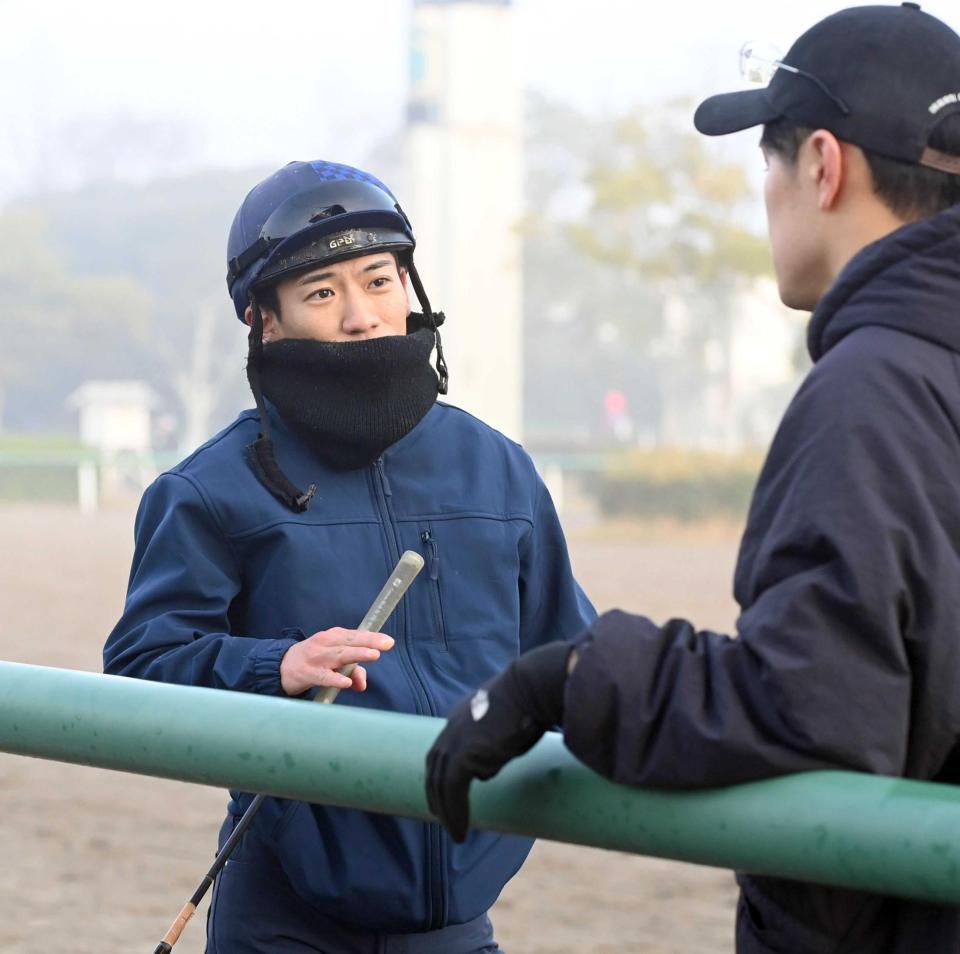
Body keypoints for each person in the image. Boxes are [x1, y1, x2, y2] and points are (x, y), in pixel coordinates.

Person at [425, 5, 960, 952]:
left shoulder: (875, 387)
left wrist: (569, 680)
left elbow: (815, 714)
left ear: (825, 167)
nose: (768, 193)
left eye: (770, 160)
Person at [104, 159, 595, 954]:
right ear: (266, 320)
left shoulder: (499, 468)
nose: (362, 315)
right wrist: (276, 667)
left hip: (459, 930)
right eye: (323, 293)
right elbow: (140, 668)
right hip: (284, 924)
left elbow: (570, 654)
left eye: (379, 279)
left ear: (410, 286)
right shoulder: (206, 489)